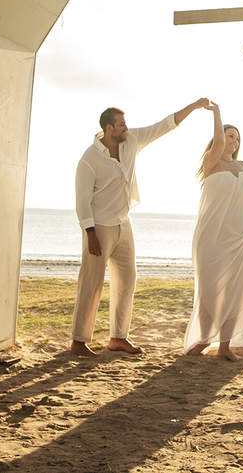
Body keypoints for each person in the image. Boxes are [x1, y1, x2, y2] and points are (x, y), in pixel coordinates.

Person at [70, 99, 211, 358]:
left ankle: (118, 337)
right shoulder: (89, 159)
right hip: (99, 227)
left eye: (126, 125)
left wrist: (193, 107)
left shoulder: (132, 140)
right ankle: (79, 341)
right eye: (122, 125)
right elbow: (82, 200)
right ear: (108, 129)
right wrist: (90, 233)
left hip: (124, 223)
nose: (127, 128)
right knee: (91, 283)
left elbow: (165, 125)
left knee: (127, 280)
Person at [184, 102, 243, 361]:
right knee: (210, 287)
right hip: (213, 236)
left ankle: (225, 345)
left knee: (237, 289)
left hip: (240, 237)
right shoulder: (211, 162)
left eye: (237, 138)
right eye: (230, 135)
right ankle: (204, 339)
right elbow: (218, 141)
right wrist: (217, 113)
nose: (234, 140)